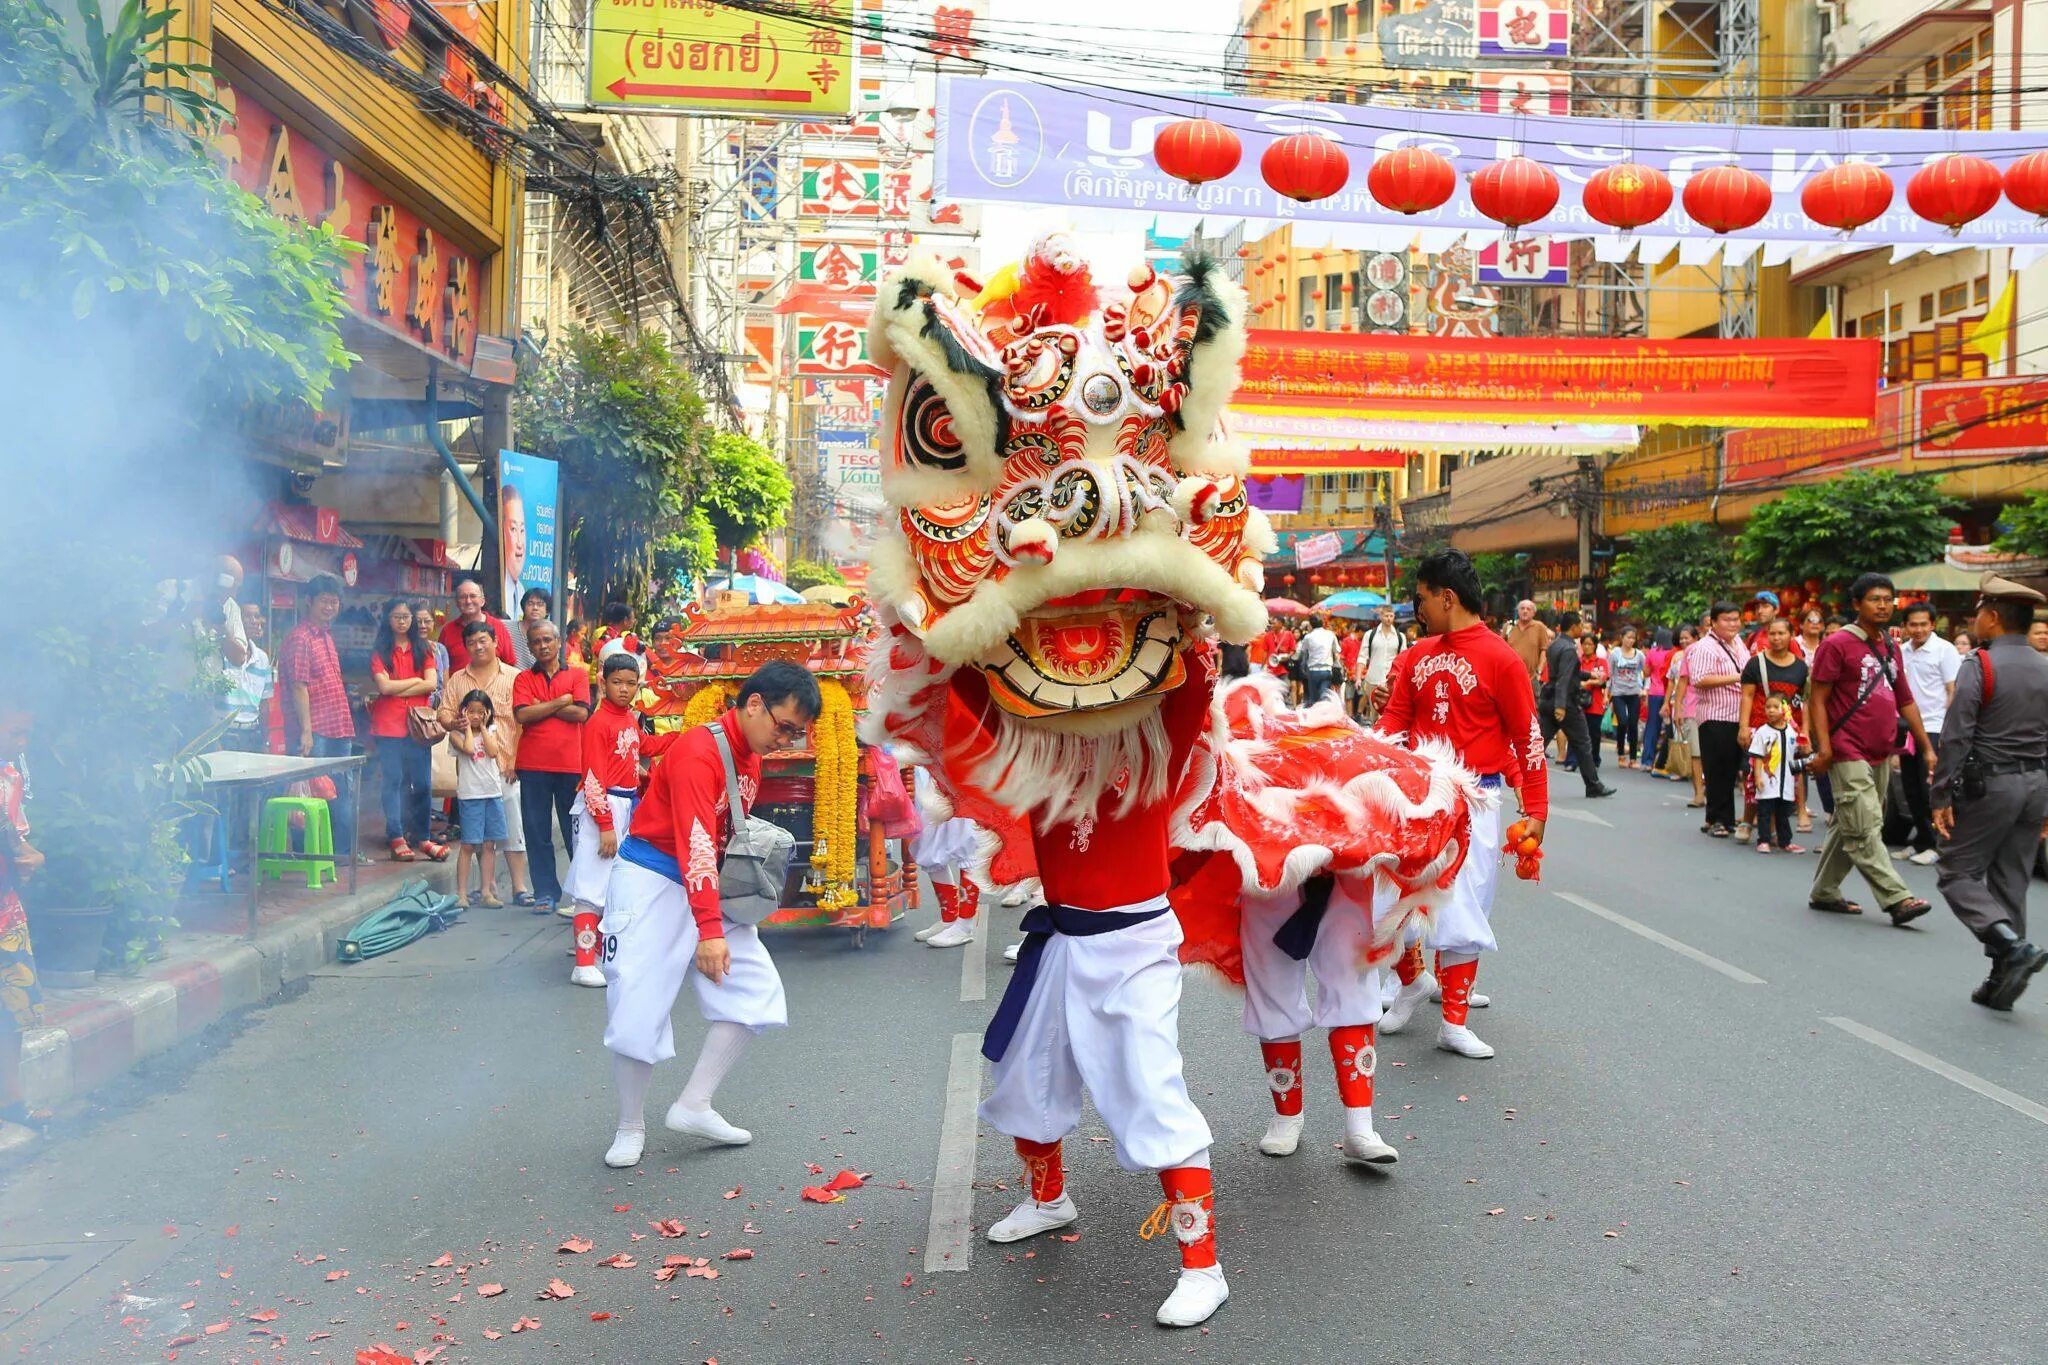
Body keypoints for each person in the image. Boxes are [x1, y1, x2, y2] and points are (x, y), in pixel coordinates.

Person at [973, 641, 1229, 1329]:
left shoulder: (1156, 735)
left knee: (1150, 1089)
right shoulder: (1034, 737)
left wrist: (1188, 603)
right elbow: (971, 683)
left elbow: (1198, 671)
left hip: (1134, 943)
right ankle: (1049, 1197)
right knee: (1027, 1075)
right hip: (1061, 936)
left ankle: (1203, 1265)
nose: (1083, 673)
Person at [600, 661, 822, 1168]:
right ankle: (629, 1126)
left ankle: (694, 1104)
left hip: (702, 885)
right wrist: (710, 931)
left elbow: (717, 840)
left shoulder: (752, 753)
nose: (785, 741)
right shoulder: (698, 750)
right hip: (652, 880)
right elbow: (695, 841)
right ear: (753, 704)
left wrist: (715, 919)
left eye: (796, 733)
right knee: (637, 1004)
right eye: (783, 727)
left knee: (757, 992)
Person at [1375, 550, 1549, 1061]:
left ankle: (1454, 1023)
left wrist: (1536, 809)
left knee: (1465, 905)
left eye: (1422, 598)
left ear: (1446, 597)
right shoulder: (1419, 653)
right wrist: (1355, 767)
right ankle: (1411, 980)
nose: (1417, 608)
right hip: (1420, 799)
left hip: (1478, 801)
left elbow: (1528, 737)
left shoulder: (1502, 659)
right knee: (1388, 899)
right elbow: (1393, 725)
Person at [1930, 575, 2048, 1010]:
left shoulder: (1980, 664)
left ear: (1993, 617)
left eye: (1979, 612)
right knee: (2011, 879)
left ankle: (2010, 947)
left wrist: (1941, 794)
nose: (1974, 620)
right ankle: (2003, 979)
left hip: (1991, 786)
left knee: (1956, 872)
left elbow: (1957, 735)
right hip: (2036, 784)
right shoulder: (2045, 666)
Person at [1806, 574, 1935, 925]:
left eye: (1888, 599)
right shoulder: (1837, 644)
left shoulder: (1890, 646)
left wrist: (1926, 747)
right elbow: (1817, 699)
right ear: (1857, 604)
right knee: (1864, 827)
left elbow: (1905, 698)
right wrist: (1824, 747)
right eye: (1874, 599)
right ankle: (1898, 898)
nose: (1883, 605)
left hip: (1881, 749)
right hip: (1846, 748)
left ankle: (1824, 892)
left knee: (1851, 822)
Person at [438, 619, 533, 905]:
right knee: (479, 834)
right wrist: (452, 721)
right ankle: (486, 887)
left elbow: (524, 723)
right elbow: (442, 714)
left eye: (483, 641)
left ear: (495, 643)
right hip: (473, 769)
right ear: (466, 647)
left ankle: (519, 887)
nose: (478, 647)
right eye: (471, 643)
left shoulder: (516, 677)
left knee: (513, 828)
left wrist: (517, 760)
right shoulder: (457, 679)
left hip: (507, 765)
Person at [564, 653, 646, 955]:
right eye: (616, 682)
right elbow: (593, 778)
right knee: (591, 885)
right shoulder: (598, 722)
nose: (624, 689)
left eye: (630, 683)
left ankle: (599, 954)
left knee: (612, 883)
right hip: (604, 805)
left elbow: (642, 746)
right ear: (603, 682)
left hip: (623, 805)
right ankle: (584, 963)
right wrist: (605, 824)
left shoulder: (627, 718)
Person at [279, 574, 361, 864]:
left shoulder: (325, 635)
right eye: (324, 601)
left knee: (339, 792)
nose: (330, 606)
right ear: (308, 602)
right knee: (312, 794)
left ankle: (340, 853)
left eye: (334, 601)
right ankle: (311, 854)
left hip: (338, 727)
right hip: (317, 731)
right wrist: (306, 732)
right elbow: (298, 686)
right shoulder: (300, 638)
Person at [513, 619, 590, 912]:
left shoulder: (579, 674)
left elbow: (581, 714)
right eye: (536, 642)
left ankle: (582, 894)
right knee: (536, 830)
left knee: (577, 832)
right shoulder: (523, 678)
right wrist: (561, 701)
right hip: (532, 765)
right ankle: (545, 891)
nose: (542, 646)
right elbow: (522, 715)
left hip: (571, 764)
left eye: (547, 640)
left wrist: (541, 705)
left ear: (558, 642)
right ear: (530, 647)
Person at [368, 598, 445, 862]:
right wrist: (416, 682)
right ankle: (397, 835)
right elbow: (383, 688)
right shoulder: (380, 650)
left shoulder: (424, 648)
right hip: (388, 726)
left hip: (418, 727)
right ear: (388, 619)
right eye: (397, 616)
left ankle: (422, 837)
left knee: (423, 783)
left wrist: (401, 684)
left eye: (407, 616)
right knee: (394, 782)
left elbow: (431, 684)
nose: (403, 621)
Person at [0, 703, 45, 1139]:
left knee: (13, 1015)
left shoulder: (11, 778)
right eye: (16, 733)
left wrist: (33, 858)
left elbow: (19, 842)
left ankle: (11, 1102)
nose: (23, 743)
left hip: (5, 913)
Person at [1894, 603, 1961, 866]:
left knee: (1929, 788)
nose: (1918, 629)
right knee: (1909, 787)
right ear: (1906, 626)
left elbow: (1953, 690)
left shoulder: (1945, 650)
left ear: (1932, 624)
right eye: (1913, 624)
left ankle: (1938, 844)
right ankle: (1921, 839)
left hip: (1934, 727)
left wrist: (1949, 729)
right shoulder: (1901, 652)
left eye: (1923, 624)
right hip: (1906, 727)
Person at [1736, 618, 1808, 846]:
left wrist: (1805, 732)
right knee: (1756, 776)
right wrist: (1743, 727)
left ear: (1791, 635)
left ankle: (1775, 828)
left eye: (1781, 634)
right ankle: (1747, 821)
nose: (1776, 638)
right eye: (1772, 634)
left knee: (1786, 779)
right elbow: (1747, 696)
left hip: (1788, 733)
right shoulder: (1755, 664)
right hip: (1760, 728)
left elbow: (1804, 703)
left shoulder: (1800, 667)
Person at [1684, 602, 1751, 839]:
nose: (1733, 624)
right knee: (1717, 768)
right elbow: (1699, 679)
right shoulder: (1705, 647)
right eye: (1726, 619)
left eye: (1736, 619)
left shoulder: (1740, 643)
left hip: (1738, 714)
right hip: (1716, 714)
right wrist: (1737, 677)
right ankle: (1717, 819)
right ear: (1713, 622)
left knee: (1731, 768)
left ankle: (1720, 817)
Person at [449, 690, 514, 908]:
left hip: (492, 793)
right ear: (463, 712)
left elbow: (494, 751)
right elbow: (468, 749)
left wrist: (484, 728)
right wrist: (467, 728)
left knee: (489, 845)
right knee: (468, 845)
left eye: (480, 712)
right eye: (471, 712)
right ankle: (461, 894)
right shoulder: (456, 735)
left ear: (488, 713)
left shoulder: (491, 730)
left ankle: (487, 891)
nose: (475, 716)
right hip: (470, 795)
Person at [1539, 612, 1612, 798]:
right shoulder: (1570, 649)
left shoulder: (1555, 644)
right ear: (1573, 627)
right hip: (1566, 702)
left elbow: (1566, 673)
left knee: (1538, 743)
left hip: (1549, 698)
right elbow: (1564, 679)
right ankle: (1593, 785)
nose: (1582, 628)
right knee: (1583, 743)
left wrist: (1588, 675)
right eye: (1580, 625)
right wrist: (1561, 706)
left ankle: (1519, 776)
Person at [1748, 695, 1806, 854]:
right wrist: (1758, 777)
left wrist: (1796, 778)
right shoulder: (1763, 732)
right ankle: (1764, 840)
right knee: (1765, 811)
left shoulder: (1792, 732)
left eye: (1775, 707)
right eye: (1768, 707)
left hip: (1786, 780)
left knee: (1783, 813)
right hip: (1767, 779)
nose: (1771, 710)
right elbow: (1758, 756)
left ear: (1785, 709)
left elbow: (1796, 755)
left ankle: (1785, 841)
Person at [221, 600, 275, 754]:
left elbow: (264, 705)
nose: (253, 621)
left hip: (252, 735)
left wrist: (265, 740)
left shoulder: (262, 658)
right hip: (224, 735)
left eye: (257, 617)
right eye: (247, 616)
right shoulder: (221, 653)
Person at [439, 575, 514, 668]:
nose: (468, 601)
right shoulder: (448, 631)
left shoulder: (498, 626)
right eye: (463, 597)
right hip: (458, 682)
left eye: (473, 596)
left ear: (482, 601)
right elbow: (441, 667)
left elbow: (510, 663)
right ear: (457, 603)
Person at [1607, 626, 1646, 770]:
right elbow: (1610, 674)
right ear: (1622, 637)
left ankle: (1633, 758)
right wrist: (1608, 694)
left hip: (1634, 692)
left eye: (1633, 638)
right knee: (1622, 721)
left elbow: (1643, 672)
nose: (1630, 640)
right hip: (1618, 693)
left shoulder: (1639, 655)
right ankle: (1621, 753)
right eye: (1628, 637)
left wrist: (1643, 689)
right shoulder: (1615, 654)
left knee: (1633, 724)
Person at [1360, 605, 1403, 723]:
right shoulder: (1370, 635)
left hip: (1392, 680)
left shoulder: (1400, 637)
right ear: (1381, 616)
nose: (1389, 618)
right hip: (1373, 678)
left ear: (1394, 617)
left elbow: (1403, 660)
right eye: (1386, 616)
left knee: (1389, 713)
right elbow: (1362, 657)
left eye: (1391, 616)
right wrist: (1358, 678)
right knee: (1374, 715)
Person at [1577, 632, 1610, 768]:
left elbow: (1603, 680)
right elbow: (1575, 679)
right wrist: (1593, 680)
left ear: (1595, 645)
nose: (1587, 647)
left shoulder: (1601, 661)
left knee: (1594, 733)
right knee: (1580, 733)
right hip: (1579, 701)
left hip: (1596, 702)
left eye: (1590, 644)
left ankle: (1595, 759)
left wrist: (1587, 682)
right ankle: (1580, 759)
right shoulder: (1577, 661)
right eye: (1584, 644)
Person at [1505, 599, 1553, 688]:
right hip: (1509, 677)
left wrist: (1539, 671)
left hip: (1531, 678)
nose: (1525, 611)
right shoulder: (1509, 627)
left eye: (1528, 609)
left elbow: (1544, 650)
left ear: (1534, 613)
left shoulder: (1539, 627)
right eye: (1522, 608)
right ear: (1518, 611)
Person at [1295, 614, 1339, 707]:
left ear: (1310, 625)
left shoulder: (1308, 637)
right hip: (1327, 670)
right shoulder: (1330, 634)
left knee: (1314, 699)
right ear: (1322, 623)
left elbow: (1302, 653)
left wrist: (1303, 667)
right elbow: (1337, 651)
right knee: (1324, 697)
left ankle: (1314, 718)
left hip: (1313, 671)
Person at [499, 484, 528, 617]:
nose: (519, 543)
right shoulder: (500, 592)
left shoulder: (521, 592)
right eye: (513, 529)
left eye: (522, 530)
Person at [512, 586, 551, 669]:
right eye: (530, 603)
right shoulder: (507, 628)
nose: (535, 608)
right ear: (523, 607)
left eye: (540, 604)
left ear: (547, 611)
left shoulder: (550, 636)